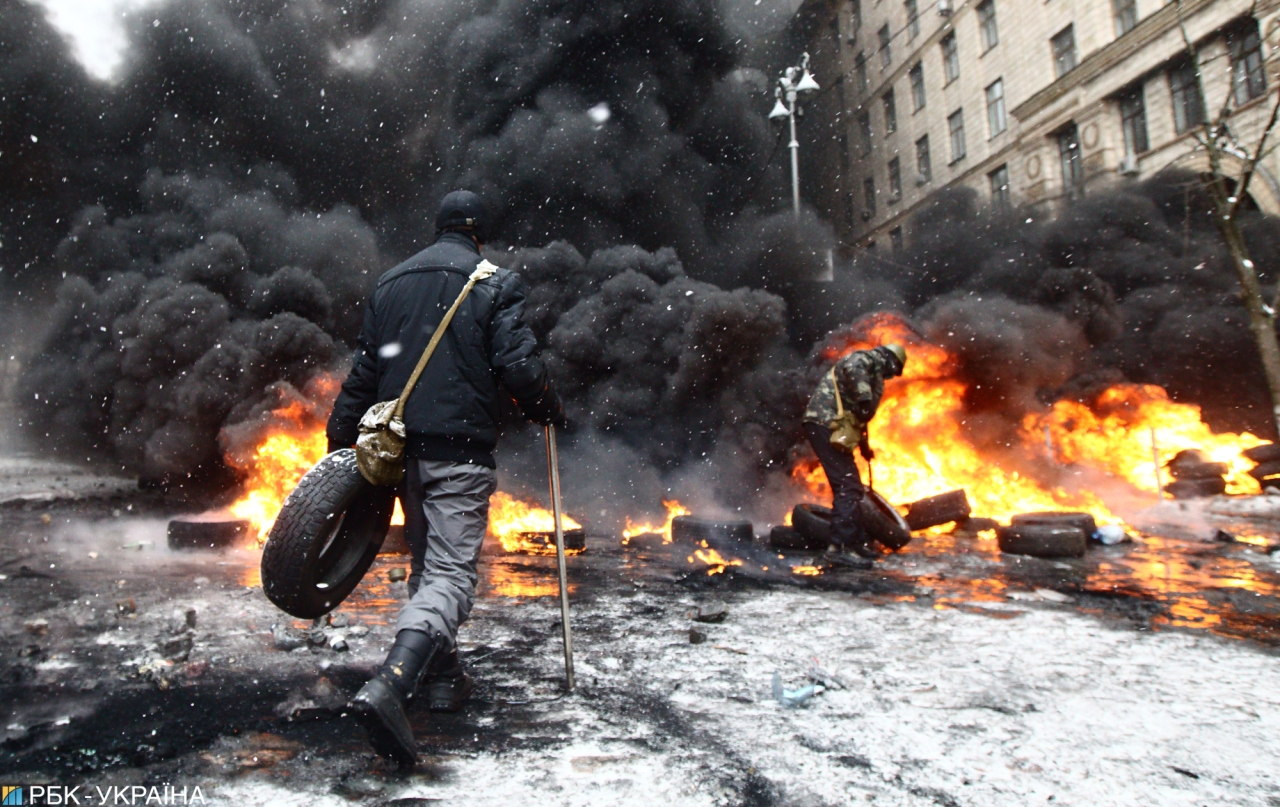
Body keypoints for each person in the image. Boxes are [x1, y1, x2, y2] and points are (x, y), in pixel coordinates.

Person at [326, 190, 565, 767]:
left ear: (438, 230)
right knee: (452, 576)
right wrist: (547, 406)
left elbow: (365, 375)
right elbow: (519, 368)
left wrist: (338, 446)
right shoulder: (492, 281)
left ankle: (442, 676)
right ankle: (392, 684)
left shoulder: (390, 284)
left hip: (401, 454)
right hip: (459, 454)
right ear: (479, 234)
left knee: (426, 564)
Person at [801, 344, 906, 559]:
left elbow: (858, 418)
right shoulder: (867, 360)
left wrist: (864, 448)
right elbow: (852, 367)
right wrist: (865, 397)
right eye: (894, 369)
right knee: (848, 486)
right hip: (824, 422)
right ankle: (839, 547)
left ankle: (855, 542)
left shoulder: (874, 375)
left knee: (852, 487)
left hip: (832, 427)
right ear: (891, 360)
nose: (891, 375)